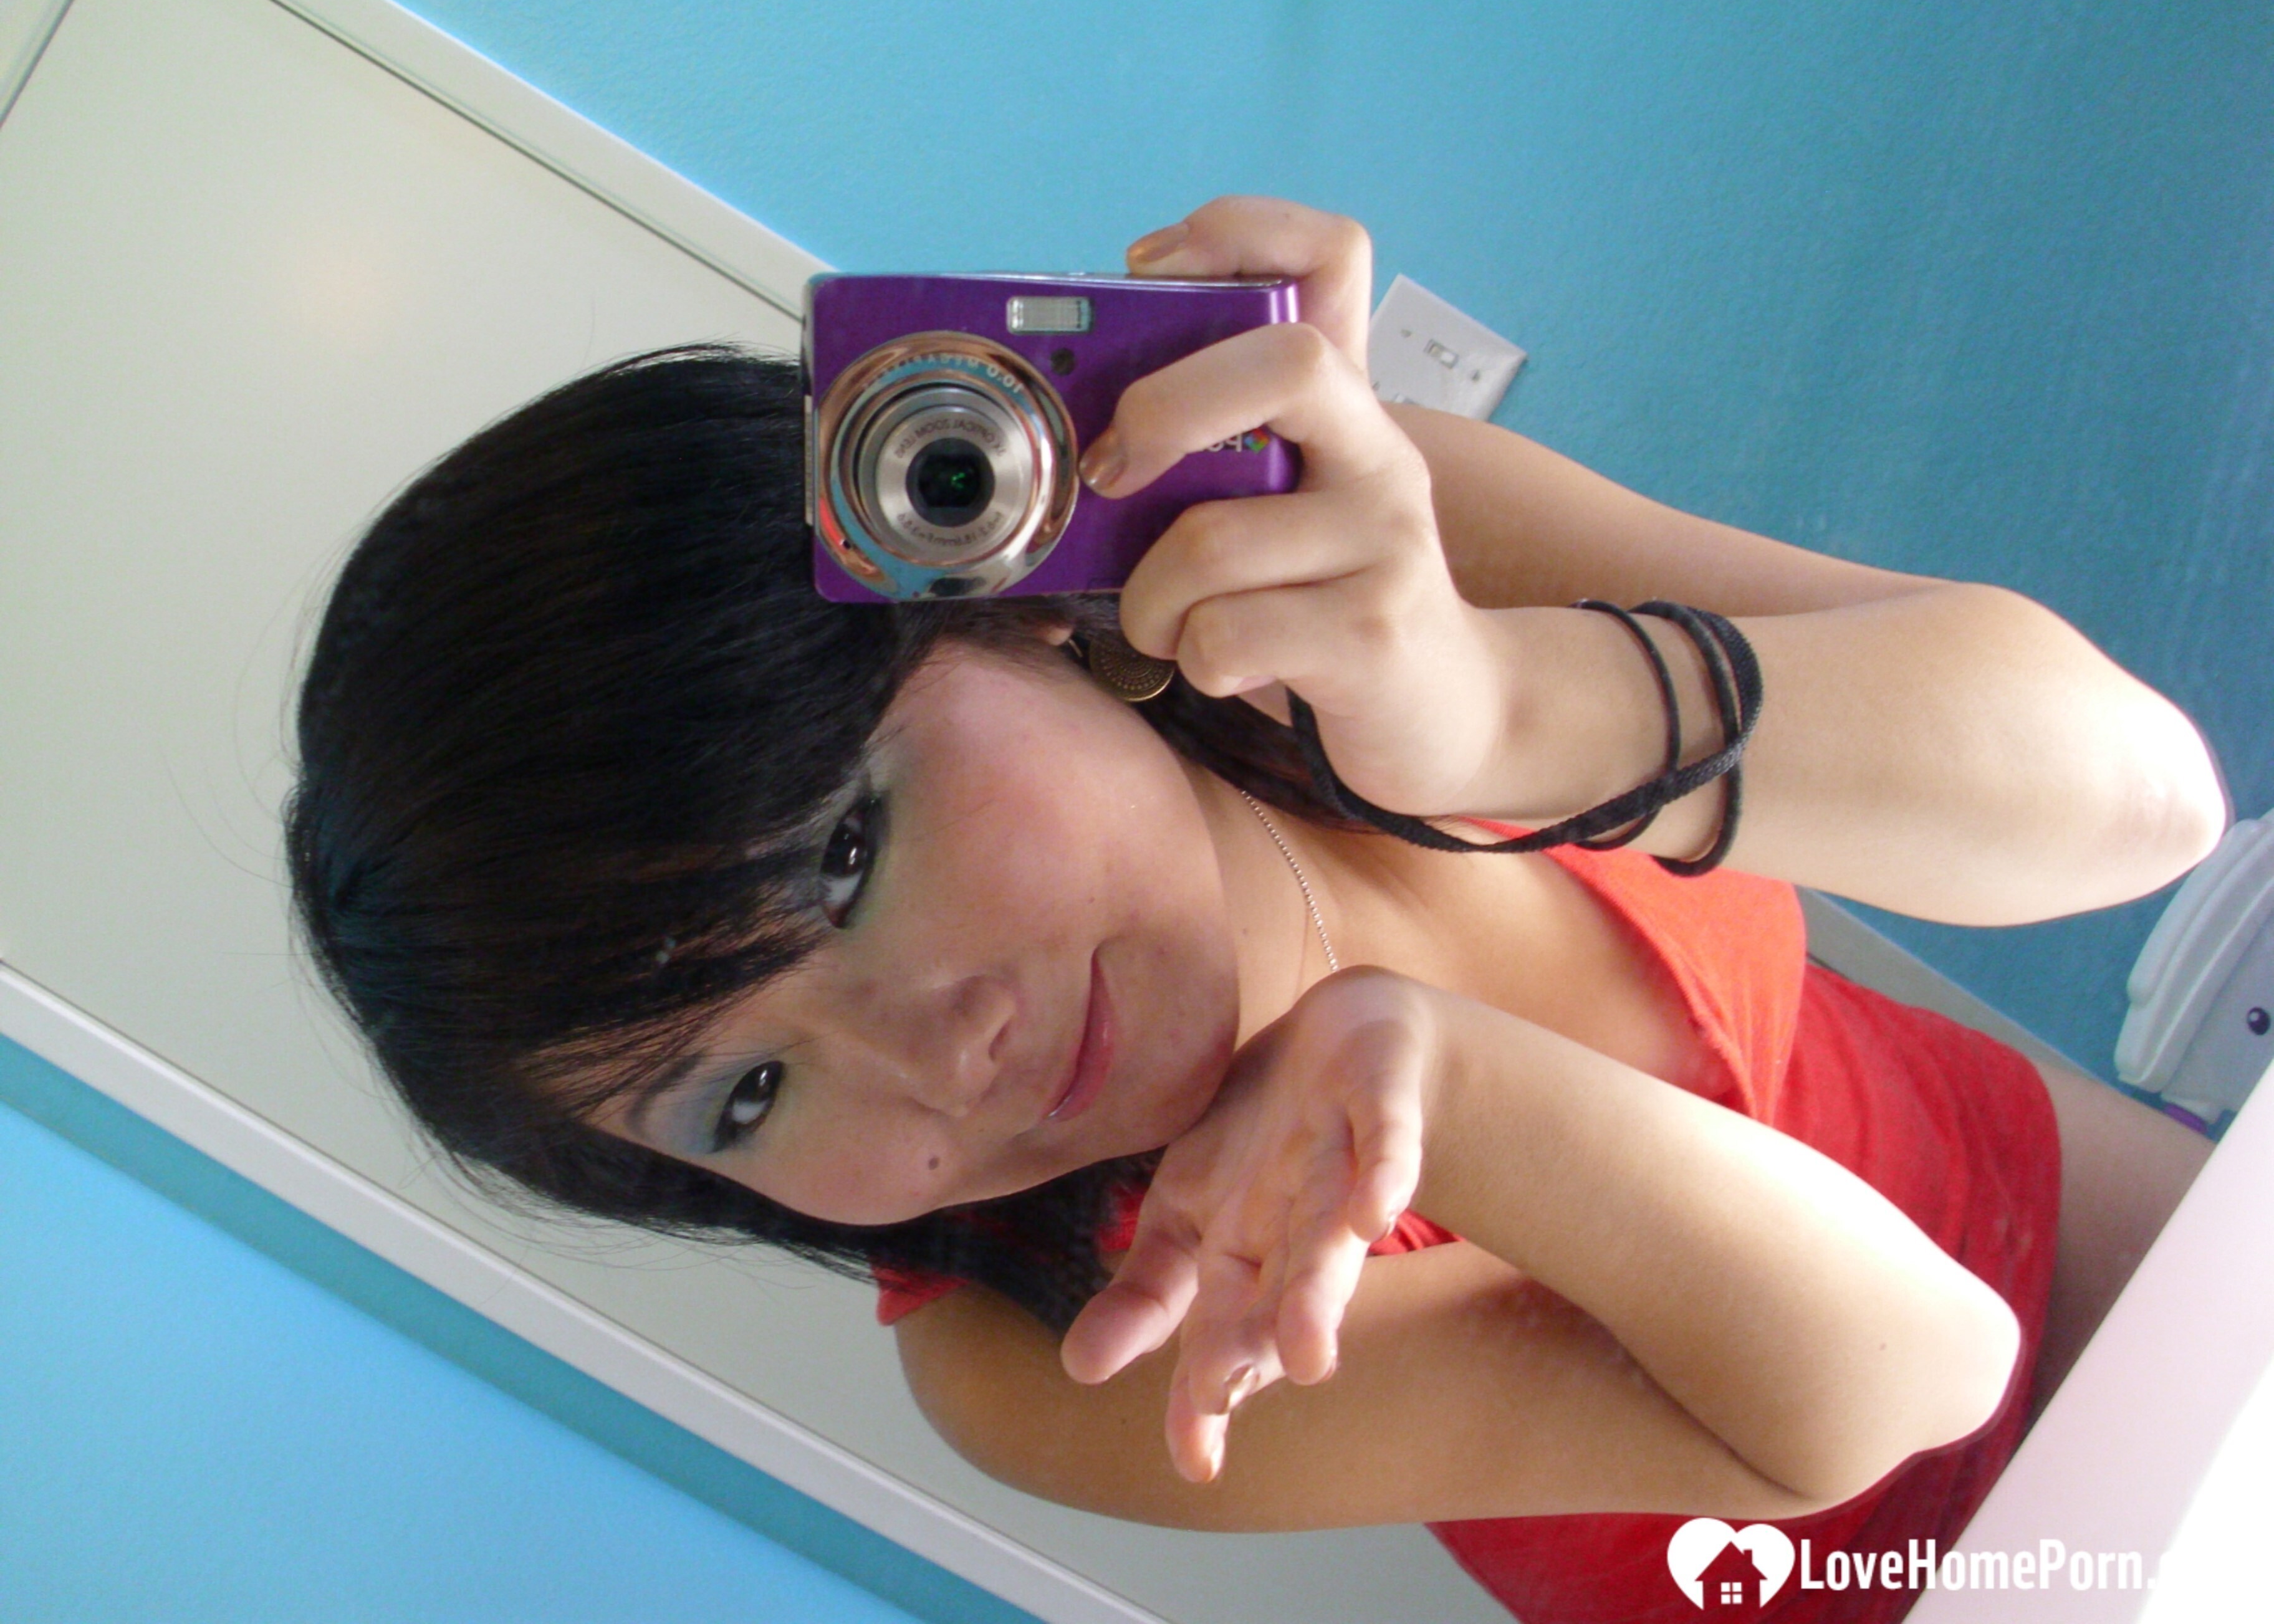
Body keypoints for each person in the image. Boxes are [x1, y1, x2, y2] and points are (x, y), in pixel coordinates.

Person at [285, 196, 2225, 1622]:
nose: (938, 1066)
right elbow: (1907, 1387)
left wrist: (1508, 705)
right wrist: (1440, 1083)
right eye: (744, 1096)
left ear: (997, 606)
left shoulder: (1346, 570)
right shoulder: (1052, 1350)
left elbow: (2144, 804)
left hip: (2103, 1207)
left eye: (845, 857)